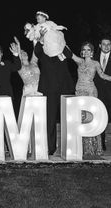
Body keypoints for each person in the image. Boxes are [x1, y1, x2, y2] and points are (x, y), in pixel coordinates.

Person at [26, 28, 74, 156]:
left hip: (65, 88)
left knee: (68, 119)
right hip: (49, 89)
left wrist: (60, 41)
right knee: (50, 120)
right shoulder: (43, 52)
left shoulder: (63, 49)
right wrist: (41, 40)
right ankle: (51, 148)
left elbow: (69, 54)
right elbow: (37, 51)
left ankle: (69, 147)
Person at [69, 42, 111, 156]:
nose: (86, 52)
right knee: (80, 118)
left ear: (92, 52)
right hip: (79, 91)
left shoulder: (96, 63)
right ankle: (81, 147)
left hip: (90, 91)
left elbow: (102, 75)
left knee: (90, 118)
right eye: (84, 50)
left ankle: (93, 148)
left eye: (89, 50)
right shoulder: (79, 61)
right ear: (82, 52)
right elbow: (68, 52)